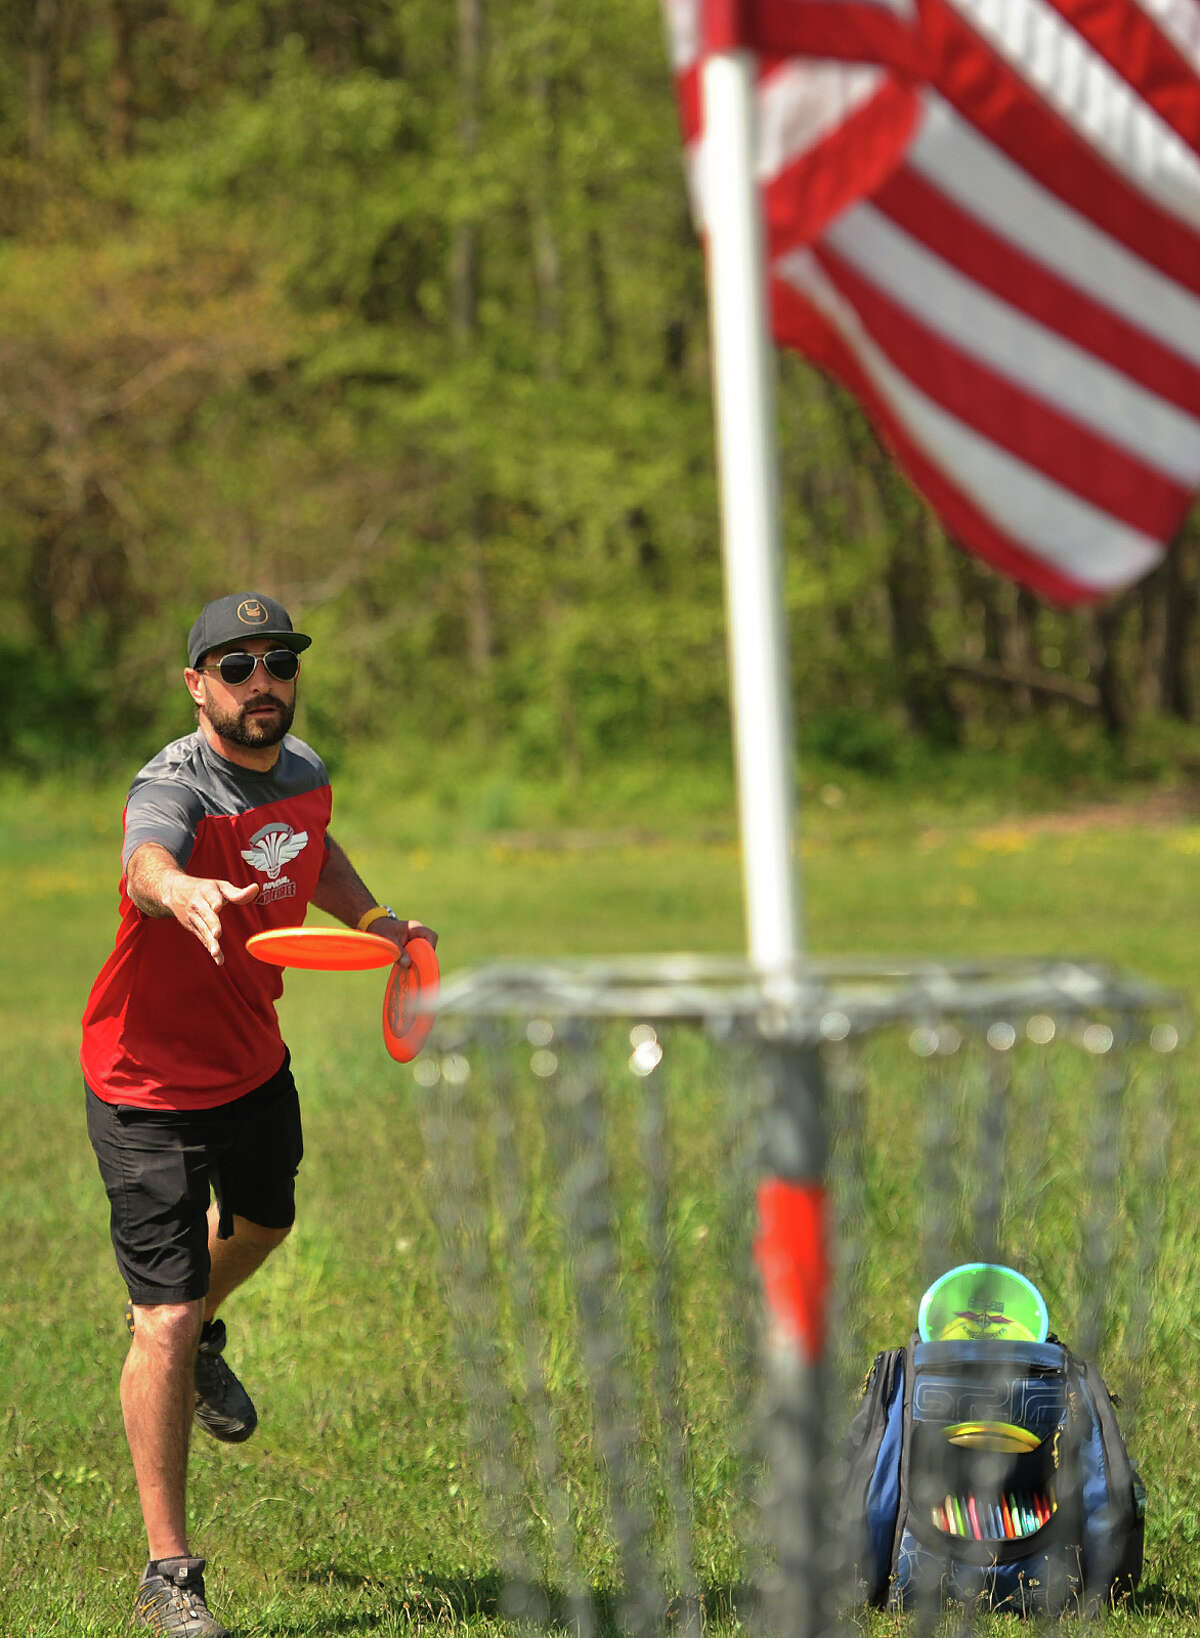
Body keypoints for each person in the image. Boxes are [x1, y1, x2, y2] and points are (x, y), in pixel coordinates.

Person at [81, 592, 436, 1638]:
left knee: (268, 1224)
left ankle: (188, 1341)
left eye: (278, 662)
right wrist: (181, 889)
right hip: (145, 1082)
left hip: (251, 1062)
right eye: (236, 667)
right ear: (197, 686)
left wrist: (375, 918)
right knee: (166, 1314)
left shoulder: (304, 771)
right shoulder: (174, 783)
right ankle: (169, 1577)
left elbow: (313, 849)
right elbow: (147, 860)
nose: (262, 683)